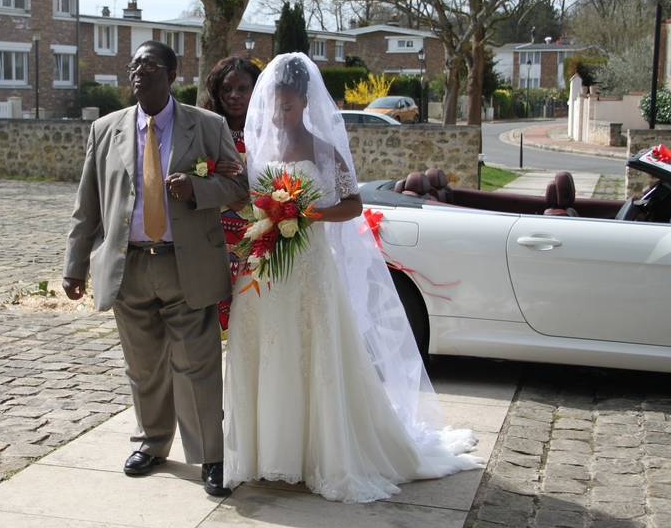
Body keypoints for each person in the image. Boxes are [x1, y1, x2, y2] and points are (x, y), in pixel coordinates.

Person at [223, 53, 483, 503]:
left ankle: (318, 452)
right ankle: (262, 452)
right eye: (275, 106)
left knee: (311, 351)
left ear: (304, 102)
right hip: (266, 265)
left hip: (309, 265)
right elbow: (251, 198)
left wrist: (306, 212)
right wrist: (265, 213)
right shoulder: (260, 146)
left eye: (287, 106)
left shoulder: (324, 149)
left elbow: (352, 205)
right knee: (264, 348)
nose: (279, 114)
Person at [63, 40, 248, 497]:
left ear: (171, 73)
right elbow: (87, 204)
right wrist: (75, 264)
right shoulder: (106, 129)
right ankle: (151, 443)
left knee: (197, 365)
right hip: (130, 268)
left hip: (186, 265)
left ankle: (211, 456)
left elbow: (239, 185)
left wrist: (198, 189)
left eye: (148, 65)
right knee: (144, 367)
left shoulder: (206, 126)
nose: (137, 73)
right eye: (133, 66)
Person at [201, 56, 262, 332]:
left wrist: (240, 178)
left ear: (257, 90)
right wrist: (212, 175)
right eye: (226, 89)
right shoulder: (204, 131)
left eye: (242, 89)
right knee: (210, 323)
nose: (234, 96)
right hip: (211, 238)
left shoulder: (267, 134)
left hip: (257, 241)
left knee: (250, 322)